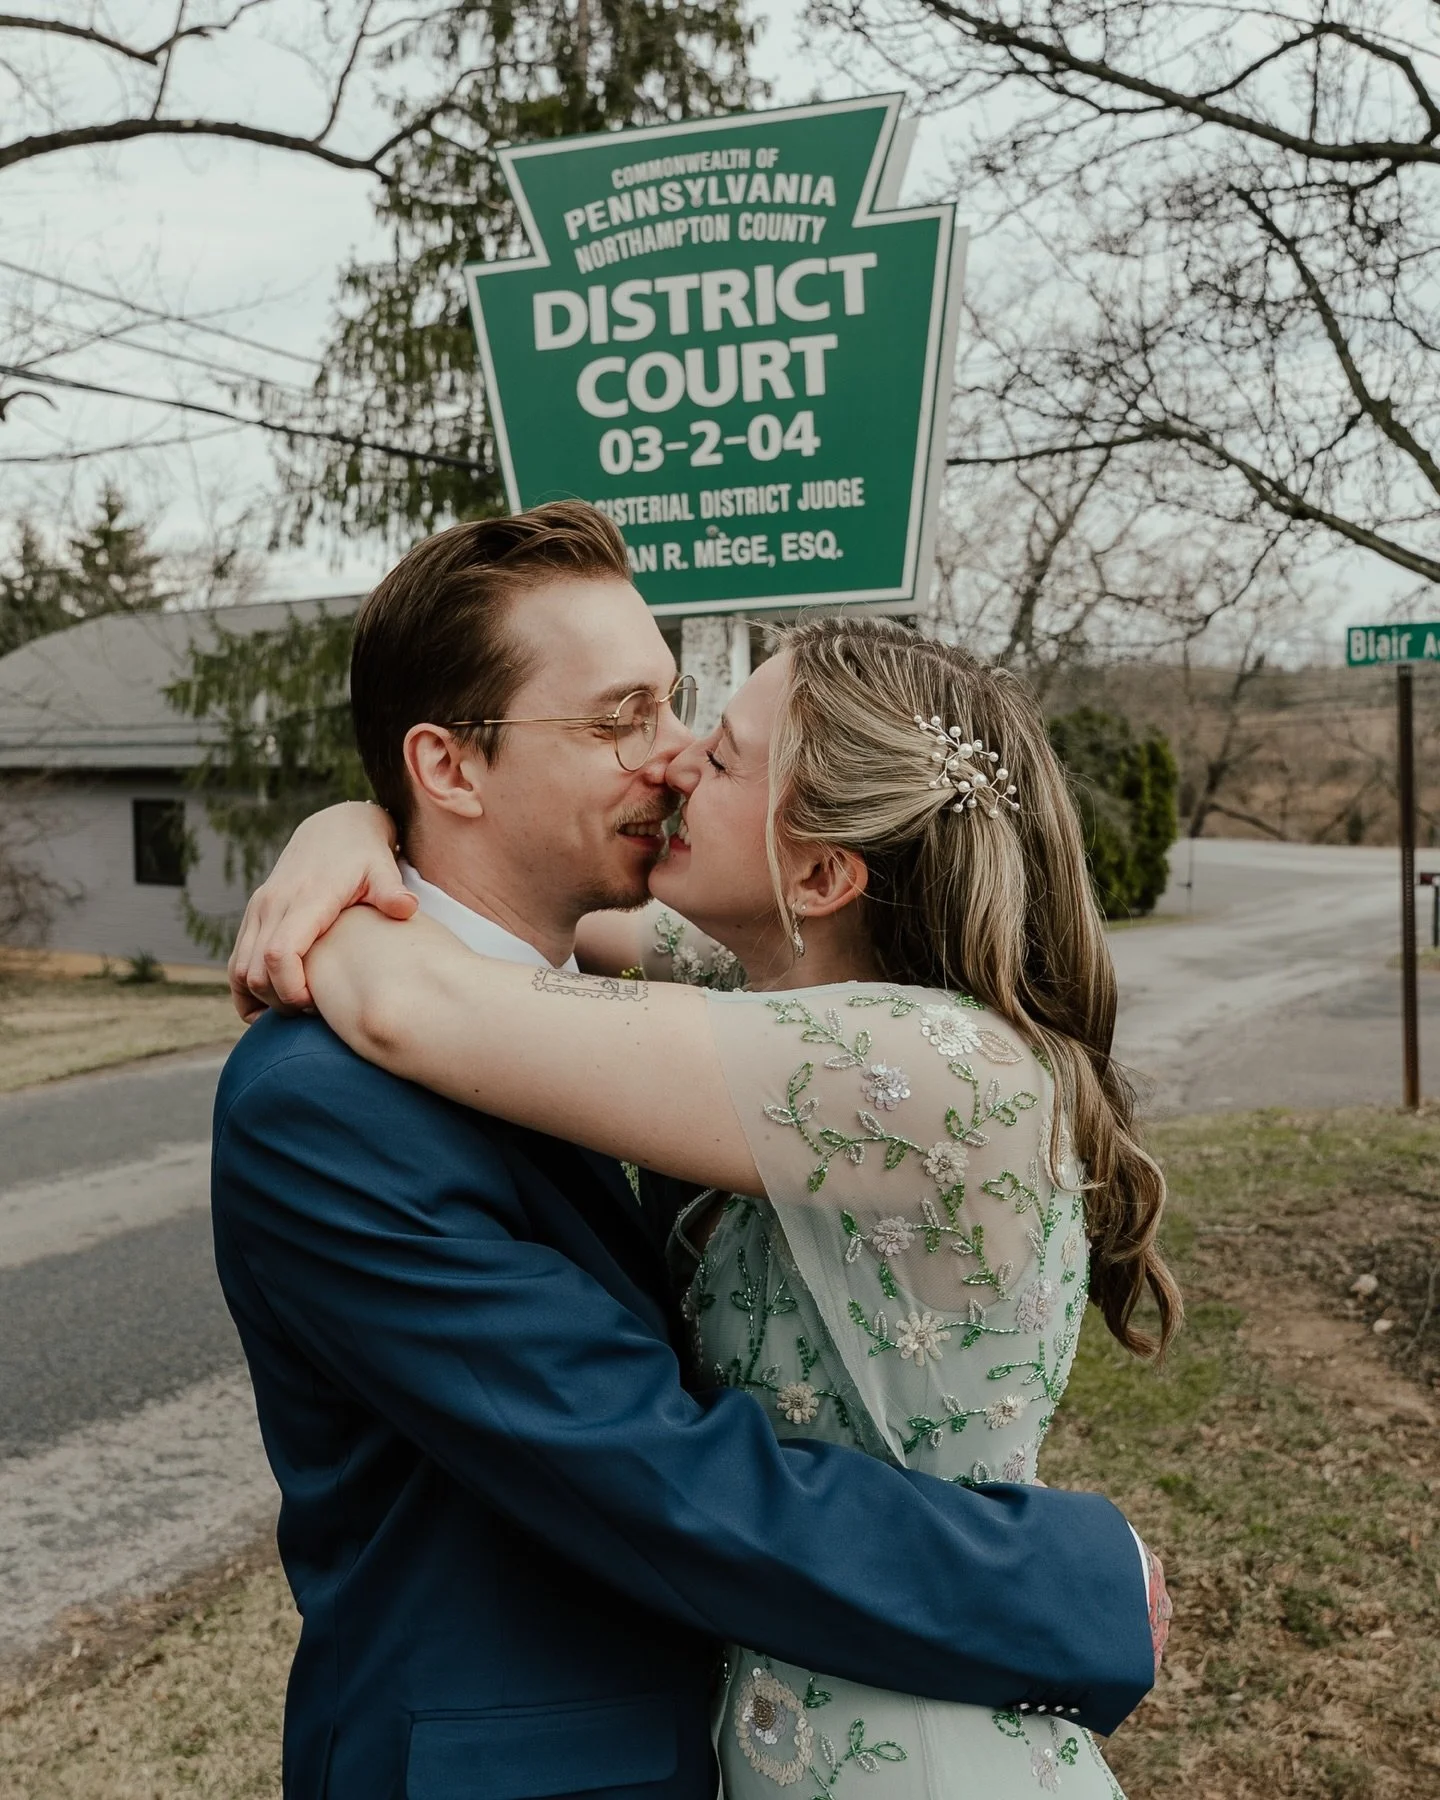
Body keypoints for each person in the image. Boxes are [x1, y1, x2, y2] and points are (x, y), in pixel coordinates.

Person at [216, 502, 1168, 1800]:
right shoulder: (321, 1105)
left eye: (693, 727)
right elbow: (648, 1468)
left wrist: (349, 857)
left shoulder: (883, 1057)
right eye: (626, 720)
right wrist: (352, 829)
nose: (670, 762)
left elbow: (436, 997)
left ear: (826, 873)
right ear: (449, 766)